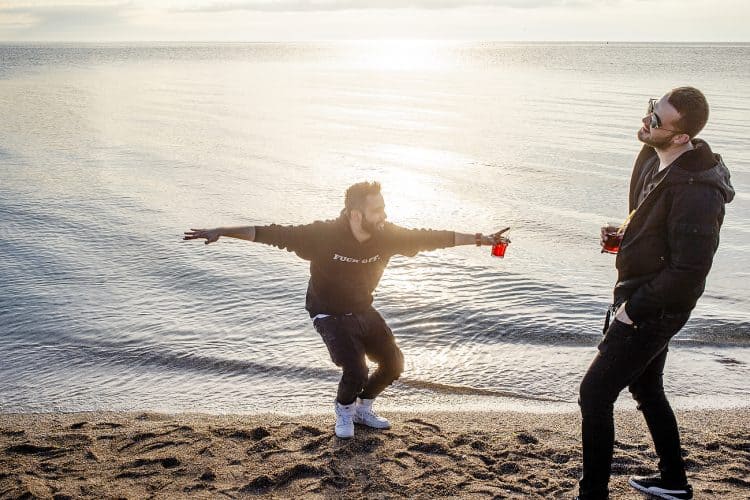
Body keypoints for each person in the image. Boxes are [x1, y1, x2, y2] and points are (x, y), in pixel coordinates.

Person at [184, 181, 509, 438]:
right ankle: (344, 410)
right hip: (328, 312)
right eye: (377, 210)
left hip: (362, 308)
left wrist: (482, 239)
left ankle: (363, 409)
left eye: (384, 208)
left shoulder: (387, 236)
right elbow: (270, 233)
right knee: (356, 369)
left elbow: (434, 238)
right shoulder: (321, 235)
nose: (383, 215)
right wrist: (222, 231)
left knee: (394, 363)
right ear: (355, 214)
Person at [577, 87, 734, 500]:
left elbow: (690, 271)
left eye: (657, 119)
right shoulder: (652, 156)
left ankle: (592, 494)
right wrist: (627, 236)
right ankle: (674, 481)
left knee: (594, 393)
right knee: (647, 389)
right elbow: (655, 223)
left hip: (655, 309)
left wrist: (634, 311)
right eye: (651, 109)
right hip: (637, 295)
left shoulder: (699, 193)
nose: (647, 121)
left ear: (681, 136)